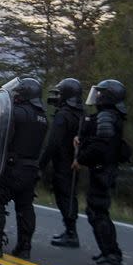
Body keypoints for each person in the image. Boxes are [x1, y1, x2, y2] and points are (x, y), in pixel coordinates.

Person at [0, 77, 48, 259]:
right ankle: (24, 248)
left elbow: (3, 137)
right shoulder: (42, 117)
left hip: (13, 166)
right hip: (31, 168)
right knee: (25, 206)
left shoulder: (16, 113)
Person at [74, 79, 127, 265]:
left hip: (102, 170)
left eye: (100, 93)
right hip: (105, 170)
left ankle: (111, 255)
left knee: (97, 212)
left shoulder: (106, 116)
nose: (97, 96)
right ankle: (109, 251)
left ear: (108, 96)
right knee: (98, 212)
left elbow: (100, 145)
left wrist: (81, 158)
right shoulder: (115, 115)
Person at [40, 78, 84, 248]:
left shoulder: (63, 115)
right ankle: (70, 230)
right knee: (70, 195)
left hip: (63, 163)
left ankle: (71, 233)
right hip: (75, 162)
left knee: (64, 196)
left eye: (60, 93)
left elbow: (53, 143)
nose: (57, 97)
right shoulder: (81, 113)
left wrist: (41, 165)